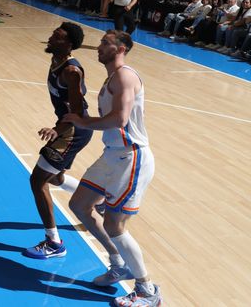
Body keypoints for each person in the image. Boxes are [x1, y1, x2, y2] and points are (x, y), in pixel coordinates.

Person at [63, 31, 162, 307]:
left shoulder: (124, 76)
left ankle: (147, 290)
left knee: (114, 224)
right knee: (80, 205)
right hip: (113, 155)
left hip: (132, 158)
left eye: (105, 43)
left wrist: (84, 122)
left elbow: (119, 119)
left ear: (120, 48)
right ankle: (118, 262)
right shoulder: (112, 77)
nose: (99, 46)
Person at [23, 22, 93, 260]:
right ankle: (99, 201)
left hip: (73, 130)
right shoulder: (57, 61)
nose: (51, 38)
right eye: (52, 33)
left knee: (37, 180)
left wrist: (57, 130)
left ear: (69, 44)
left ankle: (54, 243)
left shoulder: (71, 71)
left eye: (57, 36)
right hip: (68, 127)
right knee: (56, 177)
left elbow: (78, 112)